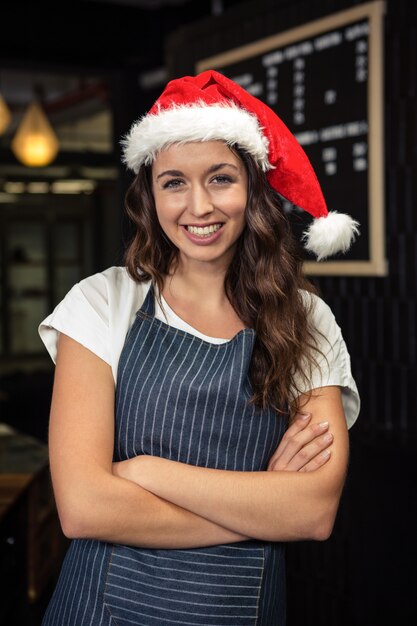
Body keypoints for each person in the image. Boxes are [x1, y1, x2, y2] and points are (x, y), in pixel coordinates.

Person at [38, 69, 360, 626]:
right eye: (173, 183)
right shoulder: (101, 302)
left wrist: (142, 472)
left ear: (253, 187)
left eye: (220, 179)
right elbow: (83, 507)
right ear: (150, 194)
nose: (198, 207)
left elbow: (313, 511)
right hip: (102, 610)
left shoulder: (306, 318)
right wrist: (263, 508)